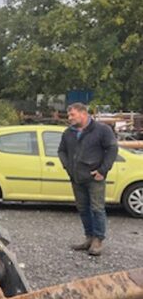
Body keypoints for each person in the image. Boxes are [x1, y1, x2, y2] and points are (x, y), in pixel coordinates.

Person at [57, 103, 118, 256]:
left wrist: (103, 170)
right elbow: (61, 151)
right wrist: (68, 167)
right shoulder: (68, 133)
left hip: (94, 177)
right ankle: (89, 237)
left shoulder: (102, 130)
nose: (69, 118)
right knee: (83, 209)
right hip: (77, 177)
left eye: (73, 115)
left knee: (97, 209)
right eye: (69, 115)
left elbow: (112, 149)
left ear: (83, 114)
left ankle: (98, 239)